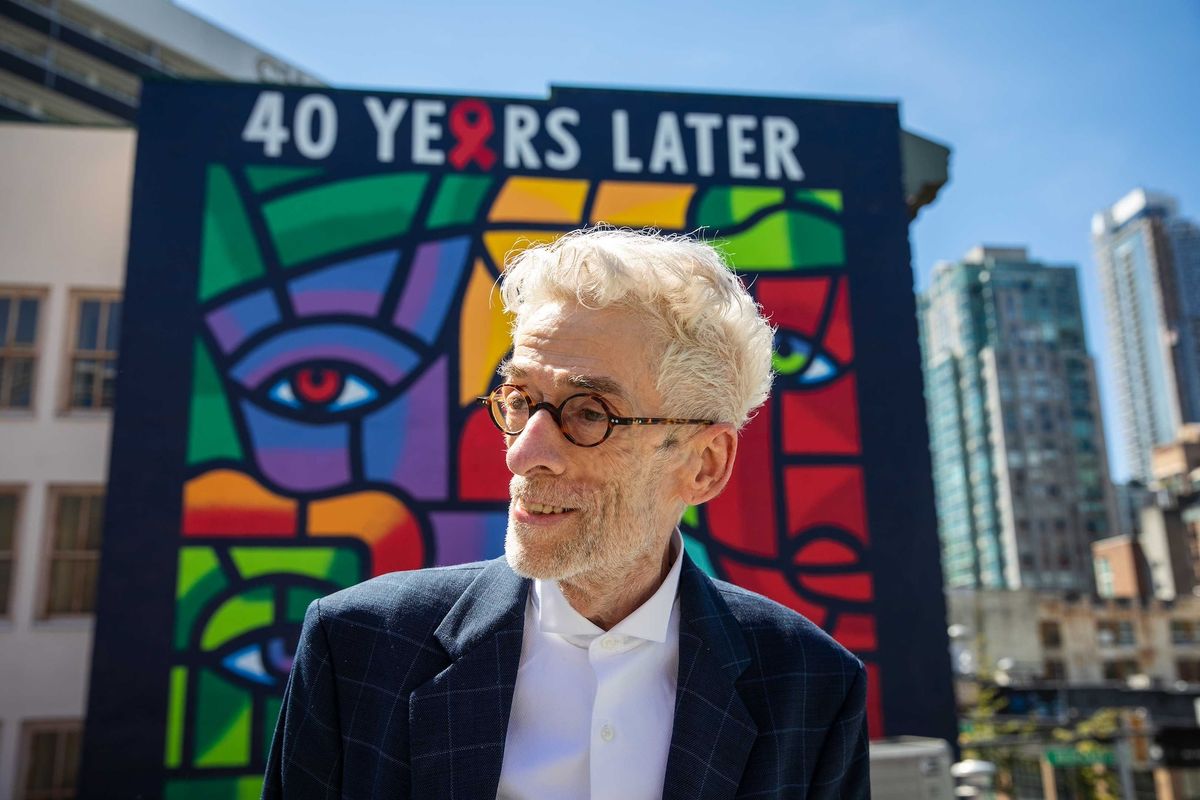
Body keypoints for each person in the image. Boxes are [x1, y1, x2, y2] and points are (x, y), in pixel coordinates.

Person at [262, 227, 870, 799]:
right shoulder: (360, 648)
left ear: (704, 464)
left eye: (589, 413)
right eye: (520, 400)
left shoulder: (809, 685)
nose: (524, 452)